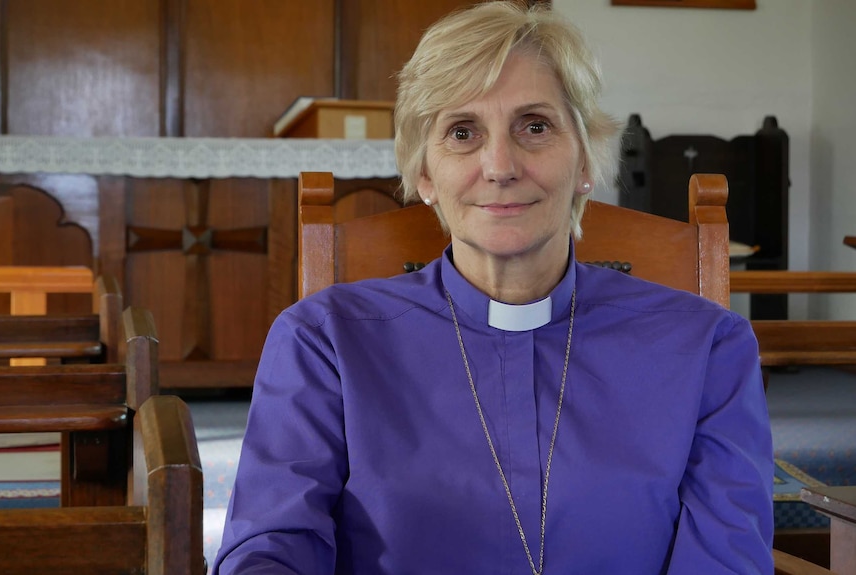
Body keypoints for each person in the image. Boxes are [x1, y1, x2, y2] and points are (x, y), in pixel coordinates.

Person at [213, 2, 774, 573]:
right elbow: (271, 545)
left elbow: (727, 558)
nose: (500, 164)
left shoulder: (708, 347)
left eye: (535, 126)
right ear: (425, 174)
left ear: (585, 159)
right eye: (463, 132)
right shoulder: (323, 341)